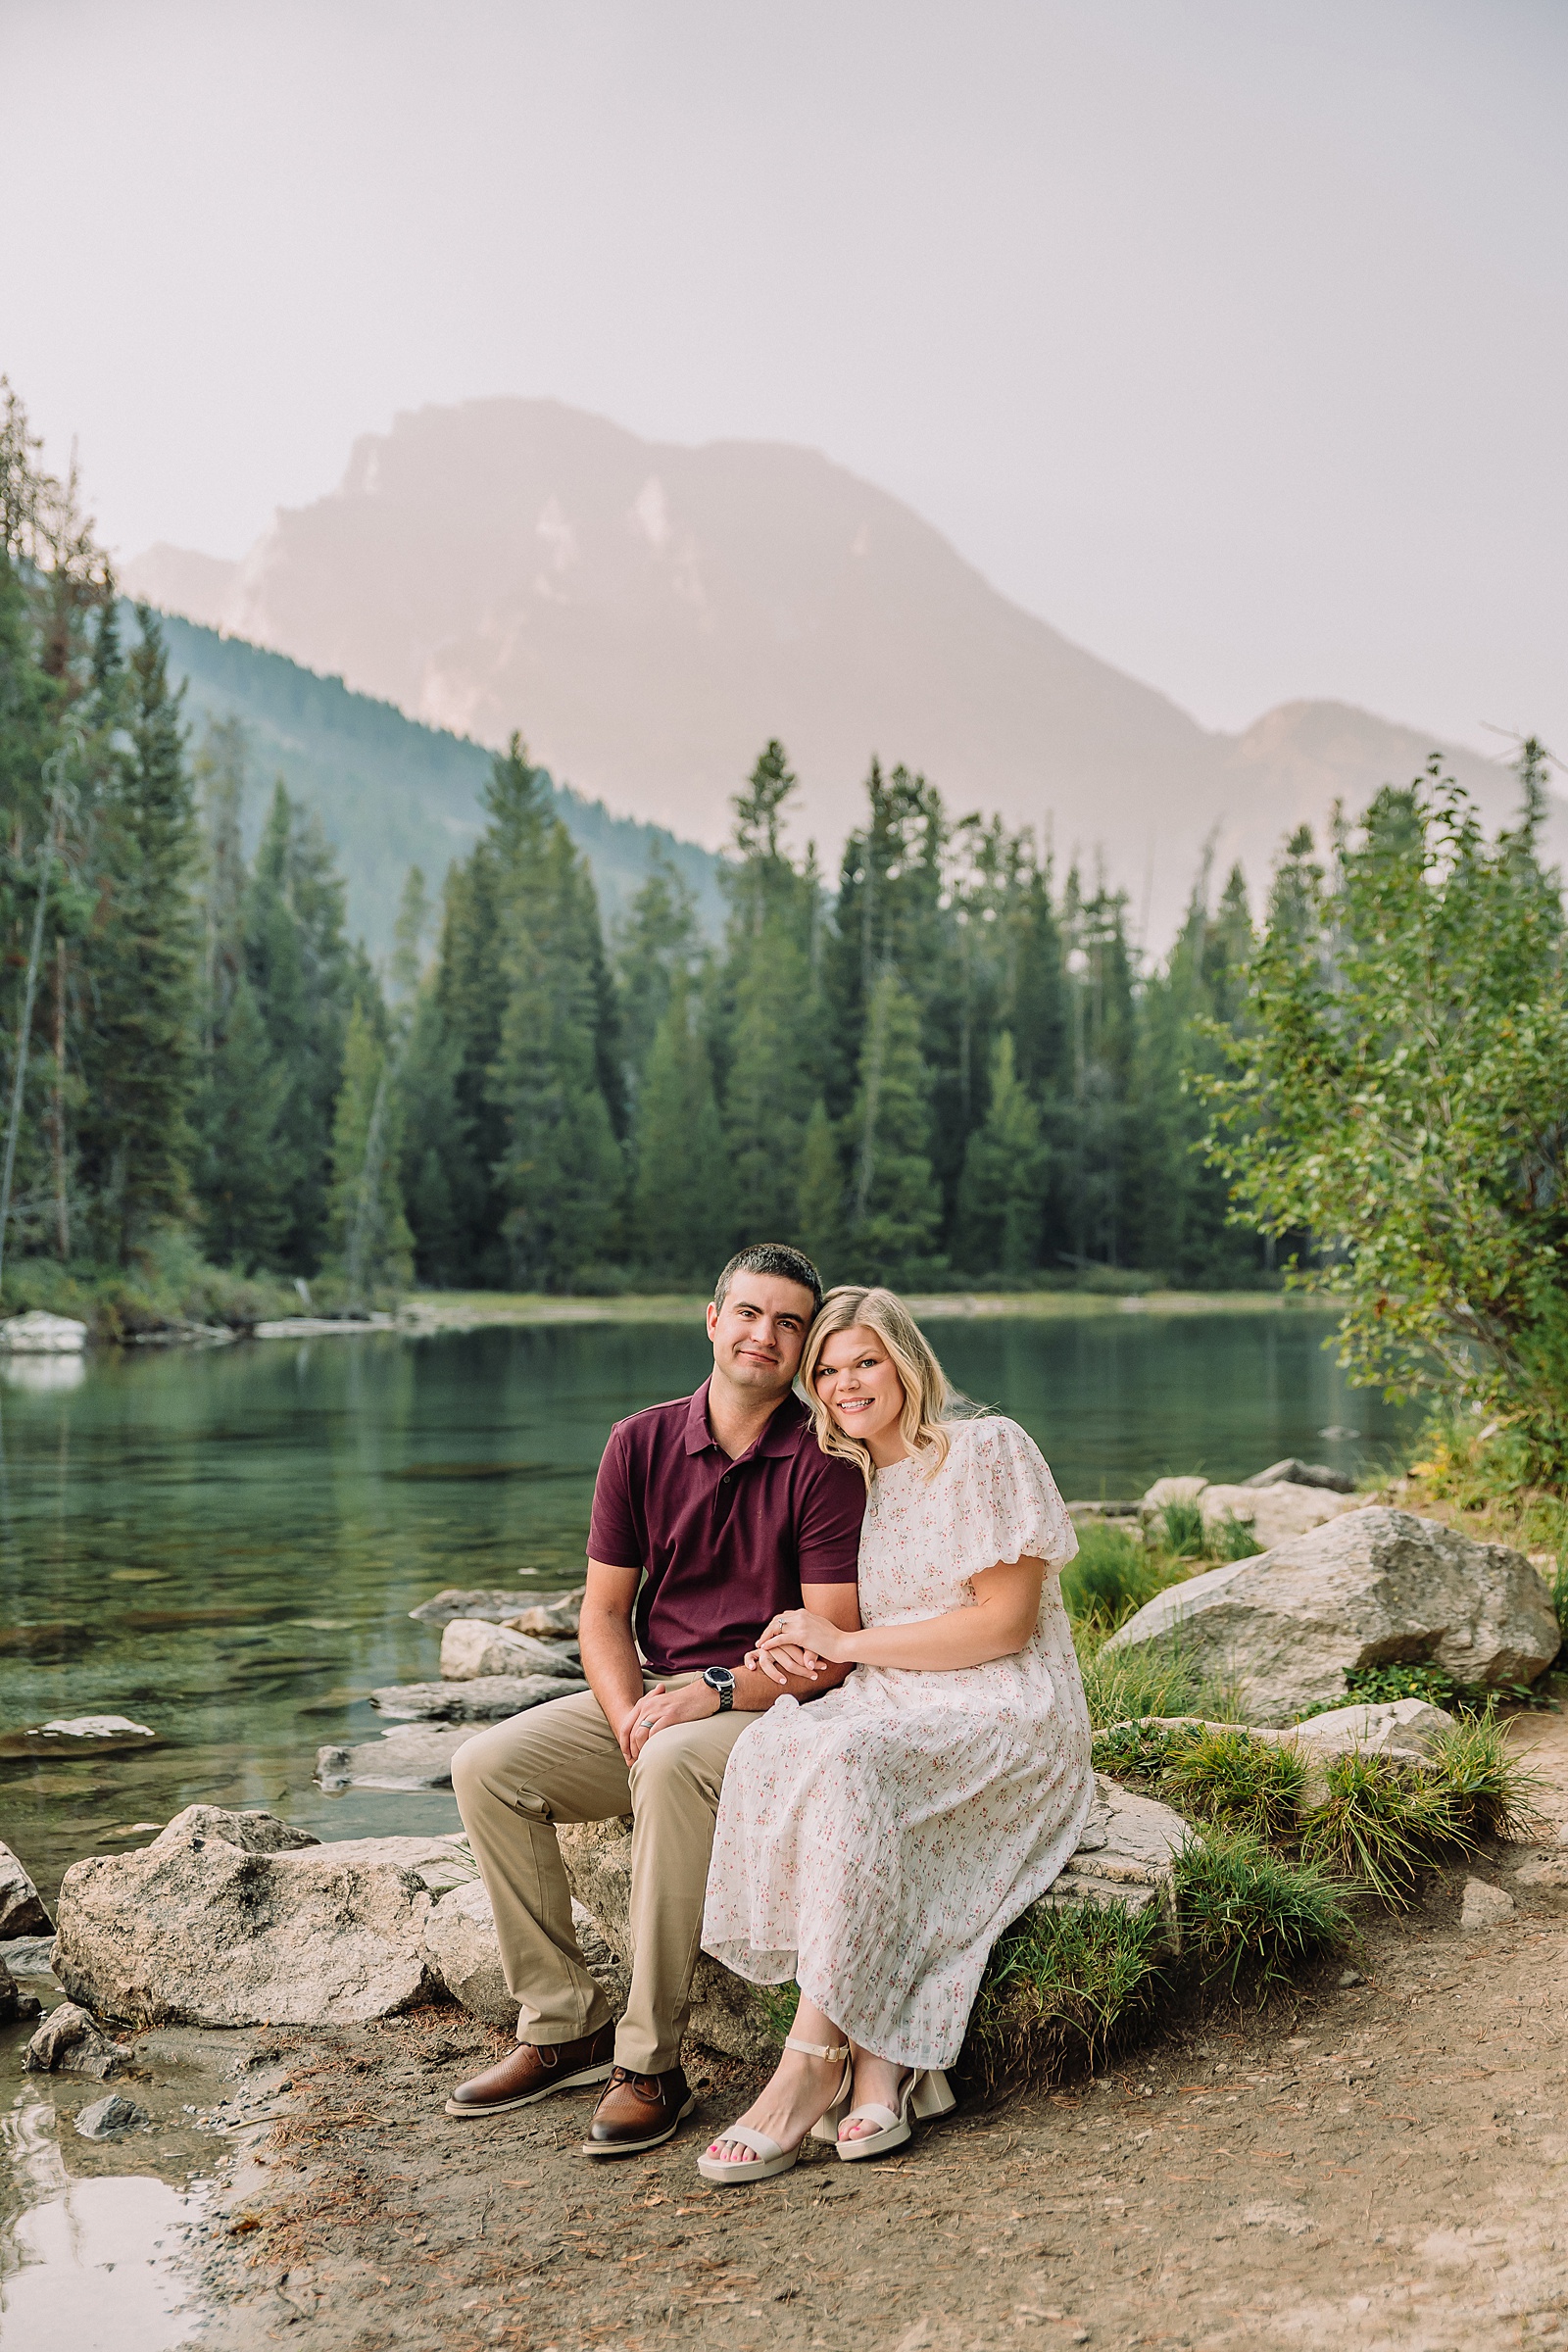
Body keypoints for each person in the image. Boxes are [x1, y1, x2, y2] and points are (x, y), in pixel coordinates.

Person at [445, 1243, 868, 2157]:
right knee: (485, 1765)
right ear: (713, 1320)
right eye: (749, 1313)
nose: (766, 1334)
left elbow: (830, 1651)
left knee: (676, 1760)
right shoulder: (639, 1442)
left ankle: (651, 2064)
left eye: (789, 1323)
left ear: (803, 1347)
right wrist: (628, 1713)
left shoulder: (825, 1461)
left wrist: (713, 1693)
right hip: (663, 1698)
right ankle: (563, 2022)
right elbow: (603, 1614)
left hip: (772, 1708)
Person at [697, 1284, 1094, 2183]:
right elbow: (843, 1625)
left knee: (849, 1758)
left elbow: (1004, 1627)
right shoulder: (847, 1483)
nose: (845, 1384)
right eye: (827, 1369)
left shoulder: (987, 1449)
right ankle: (882, 2056)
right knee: (791, 1745)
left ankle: (809, 2065)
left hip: (1007, 1705)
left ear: (906, 1361)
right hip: (895, 1699)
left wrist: (846, 1642)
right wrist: (799, 1638)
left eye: (864, 1361)